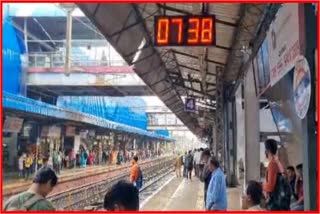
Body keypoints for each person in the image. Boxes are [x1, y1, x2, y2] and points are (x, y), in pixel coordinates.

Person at [263, 139, 290, 210]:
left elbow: (270, 187)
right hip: (282, 202)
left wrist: (261, 186)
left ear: (267, 150)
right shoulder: (278, 162)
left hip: (276, 204)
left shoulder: (272, 164)